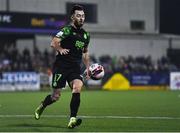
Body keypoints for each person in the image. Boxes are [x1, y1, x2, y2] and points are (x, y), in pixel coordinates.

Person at [34, 4, 90, 129]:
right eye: (78, 16)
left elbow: (85, 52)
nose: (81, 18)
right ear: (72, 17)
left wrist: (87, 67)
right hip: (61, 67)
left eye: (83, 16)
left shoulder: (86, 35)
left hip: (74, 68)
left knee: (77, 87)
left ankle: (72, 119)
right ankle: (42, 106)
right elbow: (53, 42)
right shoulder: (67, 30)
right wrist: (60, 49)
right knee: (55, 96)